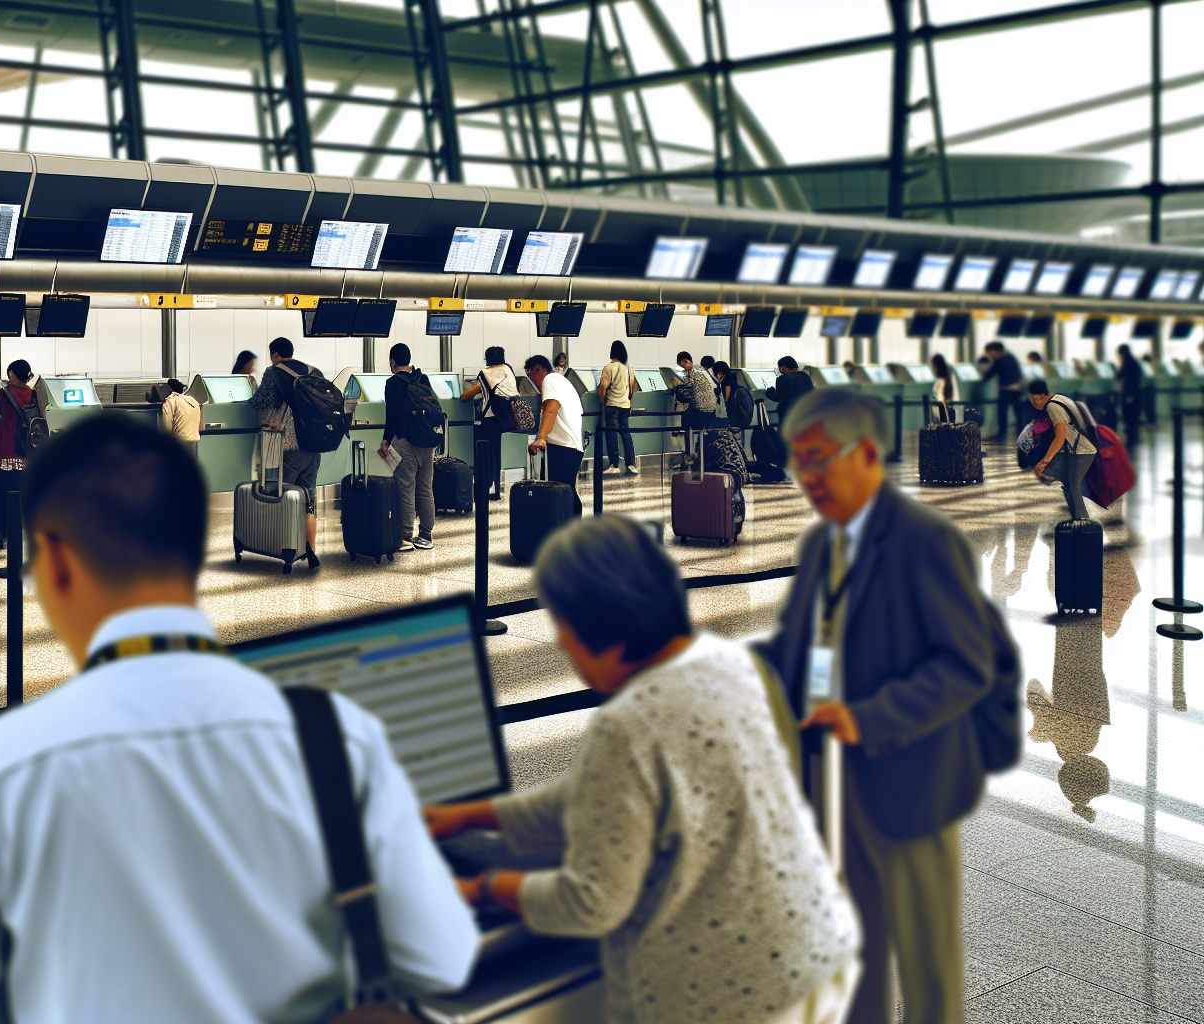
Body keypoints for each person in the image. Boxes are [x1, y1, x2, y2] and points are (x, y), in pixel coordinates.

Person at [0, 416, 478, 1022]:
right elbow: (441, 956)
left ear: (56, 562)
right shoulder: (334, 736)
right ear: (194, 548)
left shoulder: (1, 769)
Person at [428, 516, 861, 1024]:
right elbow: (603, 794)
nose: (562, 646)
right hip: (816, 955)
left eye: (563, 626)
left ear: (604, 630)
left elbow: (593, 903)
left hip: (739, 996)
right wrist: (472, 815)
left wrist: (483, 889)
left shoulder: (628, 725)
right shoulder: (728, 661)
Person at [757, 386, 1007, 1024]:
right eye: (799, 463)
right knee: (854, 950)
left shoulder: (927, 542)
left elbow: (964, 665)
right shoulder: (821, 545)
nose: (806, 478)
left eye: (819, 460)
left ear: (867, 452)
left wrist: (867, 718)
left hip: (912, 781)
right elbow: (797, 643)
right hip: (837, 782)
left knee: (928, 968)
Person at [249, 337, 326, 568]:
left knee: (284, 499)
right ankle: (311, 552)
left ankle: (288, 553)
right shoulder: (315, 372)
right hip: (313, 446)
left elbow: (260, 401)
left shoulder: (274, 373)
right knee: (308, 500)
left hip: (287, 446)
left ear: (274, 355)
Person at [378, 342, 438, 552]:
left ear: (393, 362)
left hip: (405, 442)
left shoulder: (393, 383)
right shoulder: (423, 378)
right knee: (425, 488)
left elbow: (391, 415)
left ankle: (405, 536)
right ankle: (426, 535)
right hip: (426, 441)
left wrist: (386, 440)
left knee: (405, 487)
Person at [1027, 379, 1096, 522]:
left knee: (1073, 484)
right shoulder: (1058, 397)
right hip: (1078, 447)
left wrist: (1045, 460)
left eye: (1033, 400)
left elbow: (1060, 436)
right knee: (1066, 482)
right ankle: (1076, 517)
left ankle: (1081, 520)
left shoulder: (1053, 407)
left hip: (1082, 450)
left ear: (1036, 396)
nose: (1034, 404)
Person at [524, 354, 584, 516]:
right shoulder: (562, 381)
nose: (532, 380)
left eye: (532, 374)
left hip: (563, 446)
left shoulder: (550, 380)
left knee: (563, 491)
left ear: (539, 370)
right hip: (571, 445)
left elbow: (552, 407)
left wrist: (541, 437)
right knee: (566, 489)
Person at [460, 346, 517, 499]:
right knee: (496, 454)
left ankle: (485, 487)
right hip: (508, 419)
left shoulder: (486, 373)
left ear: (488, 358)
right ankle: (496, 488)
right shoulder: (508, 369)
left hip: (492, 418)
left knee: (485, 453)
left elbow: (467, 396)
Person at [0, 360, 42, 475]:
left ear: (11, 373)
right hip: (27, 447)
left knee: (5, 484)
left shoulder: (4, 393)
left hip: (8, 449)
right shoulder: (33, 393)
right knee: (22, 485)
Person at [596, 340, 637, 475]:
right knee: (625, 434)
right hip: (625, 406)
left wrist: (602, 401)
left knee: (611, 434)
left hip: (612, 405)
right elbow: (632, 389)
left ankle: (614, 464)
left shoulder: (609, 368)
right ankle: (631, 464)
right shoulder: (628, 369)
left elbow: (603, 389)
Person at [980, 341, 1025, 443]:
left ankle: (1002, 435)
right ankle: (1018, 434)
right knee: (1016, 413)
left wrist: (982, 378)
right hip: (1015, 390)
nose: (990, 355)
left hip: (1007, 390)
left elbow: (991, 373)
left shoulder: (1001, 360)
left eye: (990, 352)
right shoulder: (1010, 358)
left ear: (995, 351)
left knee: (1003, 413)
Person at [672, 350, 717, 432]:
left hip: (701, 408)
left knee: (687, 421)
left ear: (685, 361)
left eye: (681, 364)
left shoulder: (691, 372)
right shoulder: (699, 369)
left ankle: (690, 442)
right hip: (711, 408)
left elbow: (686, 386)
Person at [157, 377, 201, 459]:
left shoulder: (170, 402)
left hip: (179, 442)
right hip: (194, 441)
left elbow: (166, 430)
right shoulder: (193, 400)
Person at [766, 356, 815, 427]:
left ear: (783, 367)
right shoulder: (805, 375)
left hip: (788, 412)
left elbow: (777, 397)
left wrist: (770, 390)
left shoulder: (782, 379)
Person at [1116, 343, 1145, 446]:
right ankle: (1133, 437)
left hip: (1131, 395)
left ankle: (1132, 439)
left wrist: (1129, 396)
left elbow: (1128, 380)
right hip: (1135, 394)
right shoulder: (1131, 361)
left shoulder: (1128, 363)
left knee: (1129, 417)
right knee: (1133, 417)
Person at [929, 353, 957, 423]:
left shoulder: (942, 382)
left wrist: (947, 421)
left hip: (941, 417)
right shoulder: (947, 379)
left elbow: (943, 401)